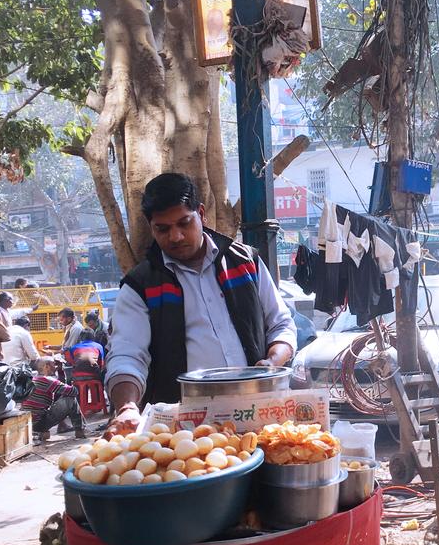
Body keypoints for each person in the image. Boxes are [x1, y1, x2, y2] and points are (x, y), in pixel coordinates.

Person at [106, 173, 297, 434]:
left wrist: (272, 363)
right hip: (184, 433)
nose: (175, 236)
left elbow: (281, 324)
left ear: (201, 213)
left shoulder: (246, 262)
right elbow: (127, 354)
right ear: (151, 228)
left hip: (257, 415)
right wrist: (127, 406)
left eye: (184, 223)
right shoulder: (140, 286)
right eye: (163, 229)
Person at [25, 358, 85, 442]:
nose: (55, 367)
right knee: (70, 399)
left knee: (61, 398)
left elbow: (60, 389)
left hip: (29, 422)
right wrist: (61, 372)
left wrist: (60, 372)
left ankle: (43, 431)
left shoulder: (34, 379)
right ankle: (80, 430)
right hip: (38, 423)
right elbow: (73, 391)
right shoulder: (47, 380)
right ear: (47, 366)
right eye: (54, 364)